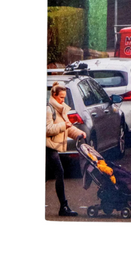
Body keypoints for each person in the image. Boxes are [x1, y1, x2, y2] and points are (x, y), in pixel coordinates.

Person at [46, 82, 86, 217]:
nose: (63, 100)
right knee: (59, 173)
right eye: (61, 97)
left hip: (52, 147)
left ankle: (64, 207)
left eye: (64, 97)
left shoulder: (60, 109)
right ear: (54, 95)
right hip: (48, 146)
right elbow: (47, 130)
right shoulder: (49, 110)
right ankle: (63, 207)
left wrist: (79, 133)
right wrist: (64, 125)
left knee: (52, 174)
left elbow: (68, 128)